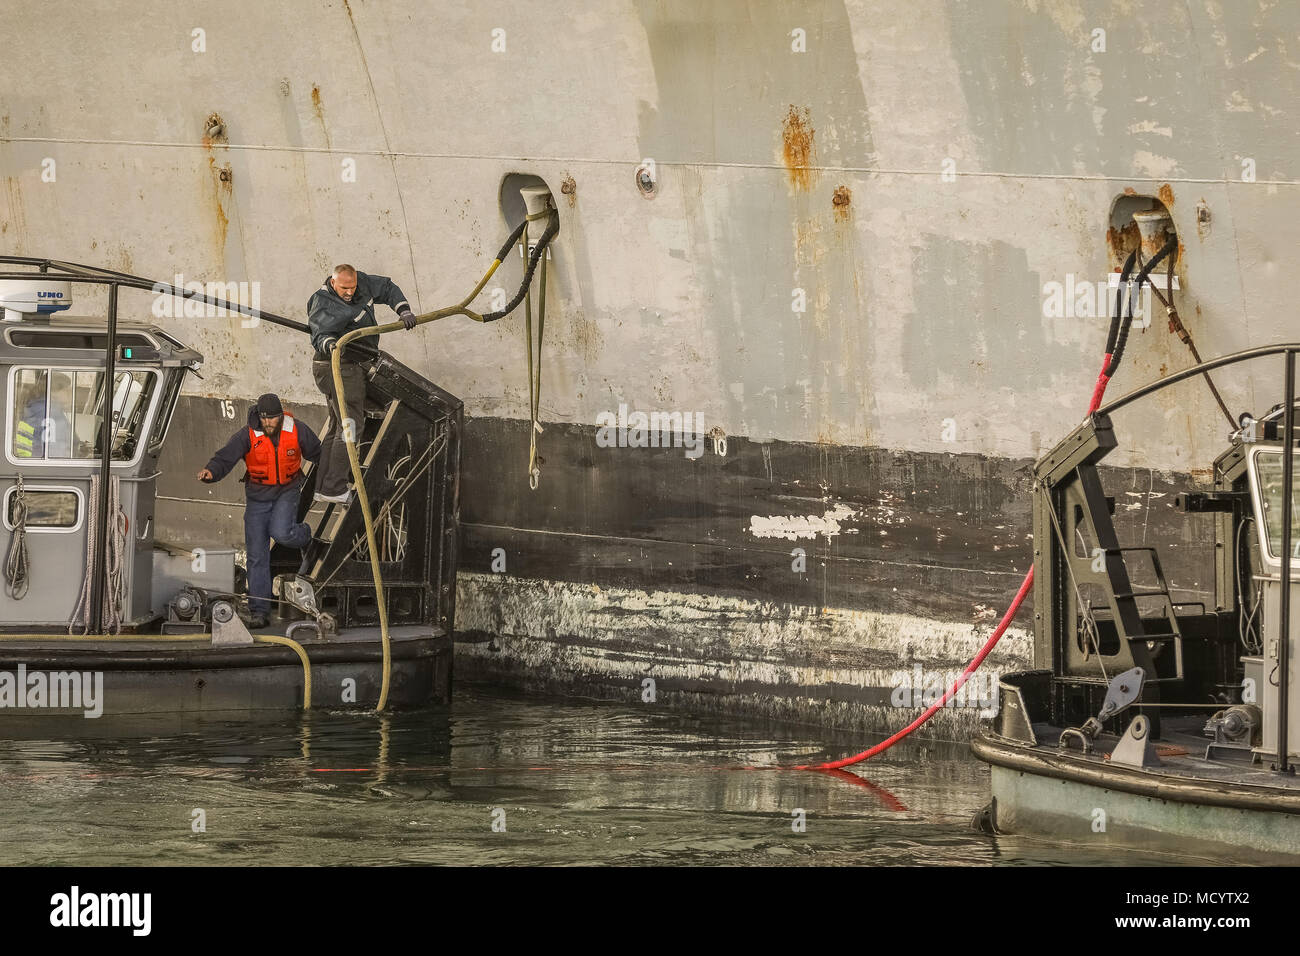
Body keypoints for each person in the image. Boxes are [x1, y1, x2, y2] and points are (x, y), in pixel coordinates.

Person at [197, 393, 322, 628]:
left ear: (280, 416)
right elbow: (226, 456)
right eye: (264, 419)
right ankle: (259, 611)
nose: (268, 424)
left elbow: (318, 453)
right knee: (256, 555)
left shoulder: (297, 429)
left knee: (282, 532)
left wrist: (336, 473)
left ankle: (305, 535)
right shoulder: (247, 434)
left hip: (287, 490)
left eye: (273, 419)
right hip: (257, 498)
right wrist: (211, 472)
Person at [307, 264, 419, 503]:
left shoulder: (363, 284)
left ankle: (323, 487)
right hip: (338, 368)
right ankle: (335, 487)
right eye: (344, 288)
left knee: (339, 425)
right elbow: (320, 334)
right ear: (333, 283)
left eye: (352, 287)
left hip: (346, 367)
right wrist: (331, 345)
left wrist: (404, 310)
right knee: (351, 426)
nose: (349, 292)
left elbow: (387, 288)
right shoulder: (322, 302)